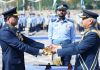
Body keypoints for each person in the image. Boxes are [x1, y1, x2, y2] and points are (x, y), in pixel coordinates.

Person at [48, 3, 75, 68]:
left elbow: (73, 36)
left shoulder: (70, 23)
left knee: (66, 65)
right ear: (56, 11)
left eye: (63, 10)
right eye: (59, 10)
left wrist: (72, 47)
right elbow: (50, 35)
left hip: (67, 47)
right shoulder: (52, 22)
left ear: (66, 12)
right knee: (56, 65)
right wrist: (50, 45)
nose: (61, 12)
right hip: (55, 47)